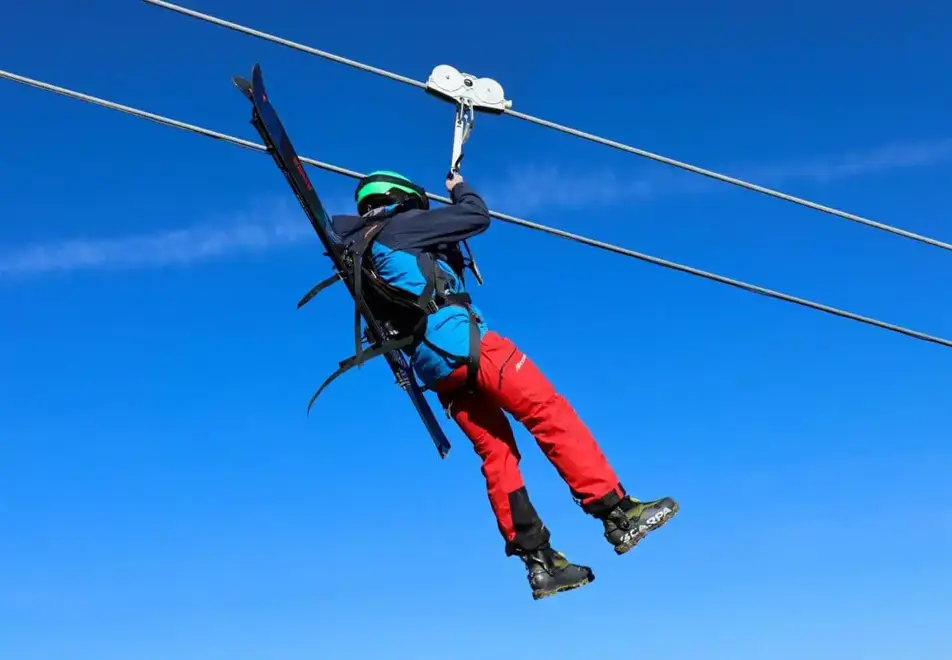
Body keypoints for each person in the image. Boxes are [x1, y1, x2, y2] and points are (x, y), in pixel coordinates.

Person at [330, 169, 679, 600]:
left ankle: (541, 563)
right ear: (403, 200)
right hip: (466, 343)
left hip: (436, 368)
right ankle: (618, 512)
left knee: (498, 454)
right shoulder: (401, 226)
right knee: (548, 412)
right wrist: (461, 189)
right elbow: (475, 216)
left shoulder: (363, 250)